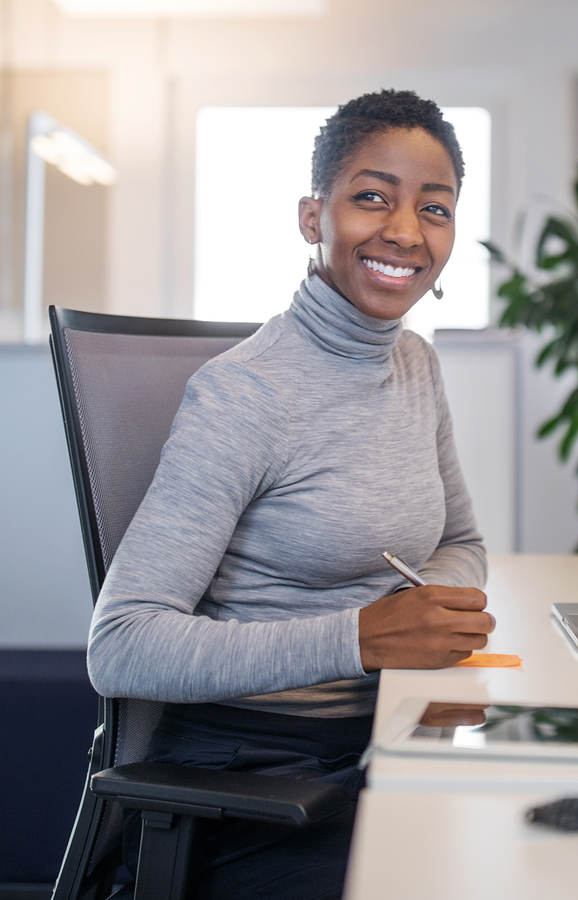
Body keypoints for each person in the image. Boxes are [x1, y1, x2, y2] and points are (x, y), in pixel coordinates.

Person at [87, 88, 493, 898]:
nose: (406, 231)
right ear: (314, 216)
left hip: (380, 740)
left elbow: (463, 545)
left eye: (435, 208)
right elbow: (121, 645)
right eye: (372, 197)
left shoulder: (414, 366)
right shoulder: (244, 396)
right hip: (254, 780)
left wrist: (422, 616)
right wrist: (361, 639)